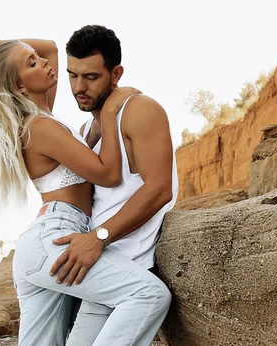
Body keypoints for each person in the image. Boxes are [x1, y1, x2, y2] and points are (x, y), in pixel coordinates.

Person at [0, 38, 171, 346]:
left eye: (37, 58)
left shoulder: (41, 114)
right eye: (33, 63)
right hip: (57, 235)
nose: (45, 62)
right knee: (148, 294)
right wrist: (111, 110)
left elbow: (50, 46)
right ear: (21, 87)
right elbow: (108, 174)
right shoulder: (39, 127)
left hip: (48, 238)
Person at [47, 25, 179, 345]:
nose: (79, 86)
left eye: (91, 77)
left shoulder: (140, 110)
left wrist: (99, 238)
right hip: (98, 275)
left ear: (116, 73)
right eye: (73, 75)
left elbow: (160, 188)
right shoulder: (89, 128)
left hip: (127, 273)